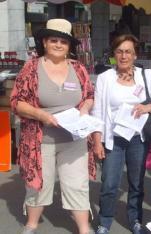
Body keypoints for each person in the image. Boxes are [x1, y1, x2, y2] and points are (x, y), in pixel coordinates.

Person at [10, 19, 95, 234]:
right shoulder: (31, 68)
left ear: (69, 46)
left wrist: (85, 108)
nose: (58, 44)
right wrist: (40, 115)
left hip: (73, 139)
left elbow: (89, 96)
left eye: (63, 42)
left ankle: (85, 229)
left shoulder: (78, 68)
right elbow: (16, 102)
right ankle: (31, 224)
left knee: (77, 184)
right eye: (54, 40)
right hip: (41, 139)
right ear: (45, 43)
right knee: (39, 184)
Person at [92, 34, 151, 234]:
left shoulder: (146, 75)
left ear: (135, 55)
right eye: (120, 51)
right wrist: (97, 142)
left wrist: (148, 107)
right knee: (109, 183)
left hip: (137, 138)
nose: (124, 56)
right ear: (113, 55)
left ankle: (135, 219)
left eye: (128, 51)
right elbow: (97, 112)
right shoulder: (104, 78)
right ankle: (105, 221)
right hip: (113, 139)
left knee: (136, 182)